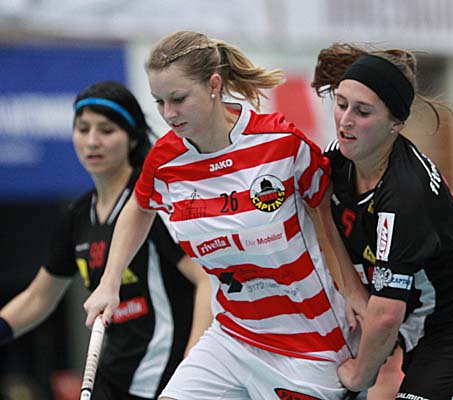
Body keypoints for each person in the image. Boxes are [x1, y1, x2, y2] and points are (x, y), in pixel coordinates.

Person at [83, 31, 357, 400]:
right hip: (233, 335)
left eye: (178, 99)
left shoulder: (280, 143)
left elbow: (327, 218)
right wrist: (109, 282)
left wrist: (354, 291)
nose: (168, 114)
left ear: (214, 85)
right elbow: (139, 206)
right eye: (159, 102)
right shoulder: (165, 161)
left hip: (310, 339)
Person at [311, 42, 453, 399]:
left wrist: (360, 375)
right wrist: (352, 288)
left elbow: (386, 315)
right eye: (341, 104)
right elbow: (322, 209)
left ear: (396, 124)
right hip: (422, 335)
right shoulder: (339, 161)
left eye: (362, 112)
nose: (345, 121)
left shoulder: (405, 194)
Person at [0, 81, 212, 400]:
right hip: (114, 377)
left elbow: (206, 278)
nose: (92, 141)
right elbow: (38, 298)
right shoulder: (78, 216)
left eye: (107, 130)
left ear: (132, 138)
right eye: (83, 129)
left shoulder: (151, 202)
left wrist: (193, 367)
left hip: (170, 378)